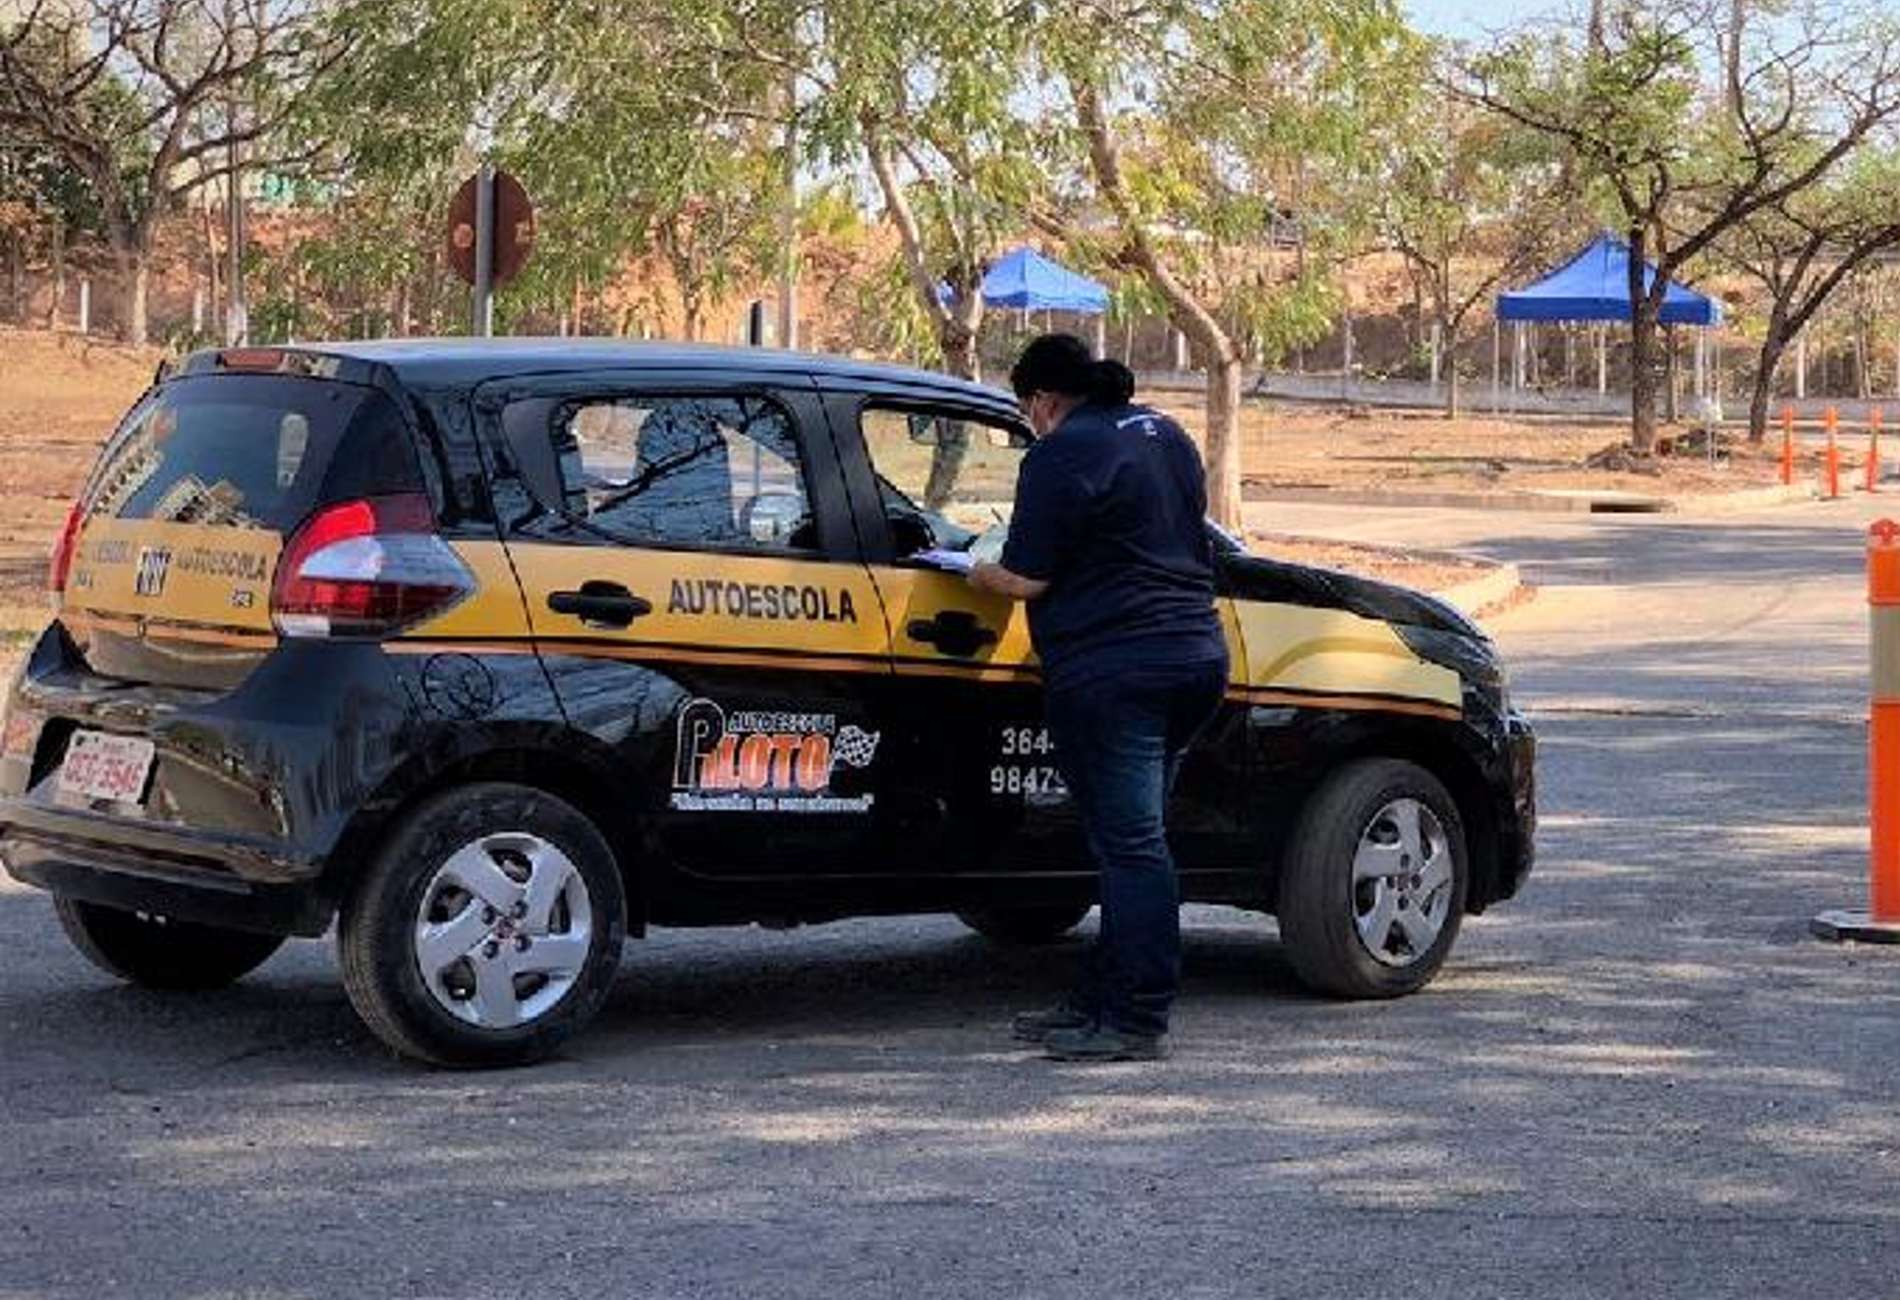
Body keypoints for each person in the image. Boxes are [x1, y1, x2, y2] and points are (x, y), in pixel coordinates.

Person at [970, 334, 1229, 1063]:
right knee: (1131, 842)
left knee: (1131, 846)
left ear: (1043, 401)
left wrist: (971, 569)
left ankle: (1135, 1015)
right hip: (1195, 659)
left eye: (1028, 411)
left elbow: (1026, 579)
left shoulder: (1057, 454)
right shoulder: (1164, 433)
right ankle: (1099, 999)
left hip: (1116, 671)